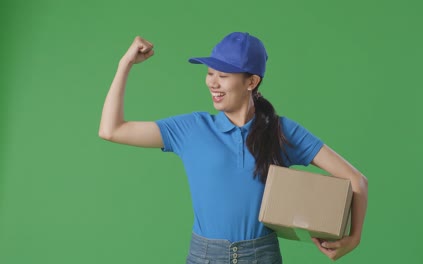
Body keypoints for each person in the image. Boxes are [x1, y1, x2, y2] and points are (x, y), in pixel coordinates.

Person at [99, 32, 368, 263]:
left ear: (251, 82)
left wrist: (353, 238)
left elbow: (356, 180)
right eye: (209, 73)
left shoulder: (282, 131)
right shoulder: (192, 129)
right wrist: (125, 65)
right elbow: (111, 130)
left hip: (262, 256)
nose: (212, 83)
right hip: (204, 256)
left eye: (223, 75)